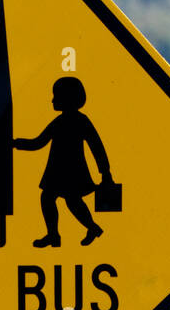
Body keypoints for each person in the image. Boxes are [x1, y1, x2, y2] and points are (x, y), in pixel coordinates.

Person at [13, 76, 112, 247]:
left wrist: (105, 172)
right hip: (58, 171)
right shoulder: (59, 122)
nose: (52, 100)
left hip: (72, 172)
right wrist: (16, 143)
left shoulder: (80, 121)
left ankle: (87, 228)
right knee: (53, 198)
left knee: (68, 200)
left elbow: (96, 146)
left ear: (68, 98)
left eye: (56, 95)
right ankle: (59, 234)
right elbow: (38, 142)